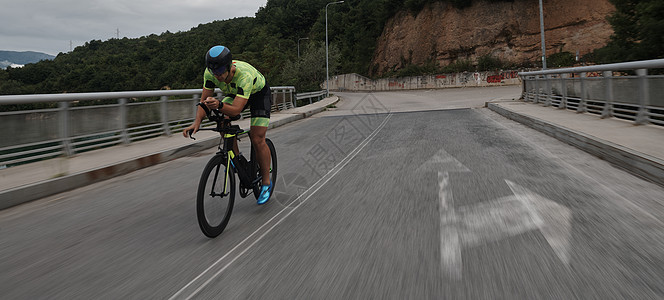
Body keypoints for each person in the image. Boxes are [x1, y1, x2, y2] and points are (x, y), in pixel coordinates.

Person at [183, 45, 274, 205]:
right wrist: (196, 122)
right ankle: (235, 158)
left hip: (258, 95)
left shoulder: (243, 75)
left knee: (257, 138)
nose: (217, 76)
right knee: (222, 120)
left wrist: (218, 104)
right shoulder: (210, 73)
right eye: (213, 72)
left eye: (220, 72)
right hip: (237, 93)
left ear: (229, 66)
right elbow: (203, 102)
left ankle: (266, 182)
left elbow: (236, 110)